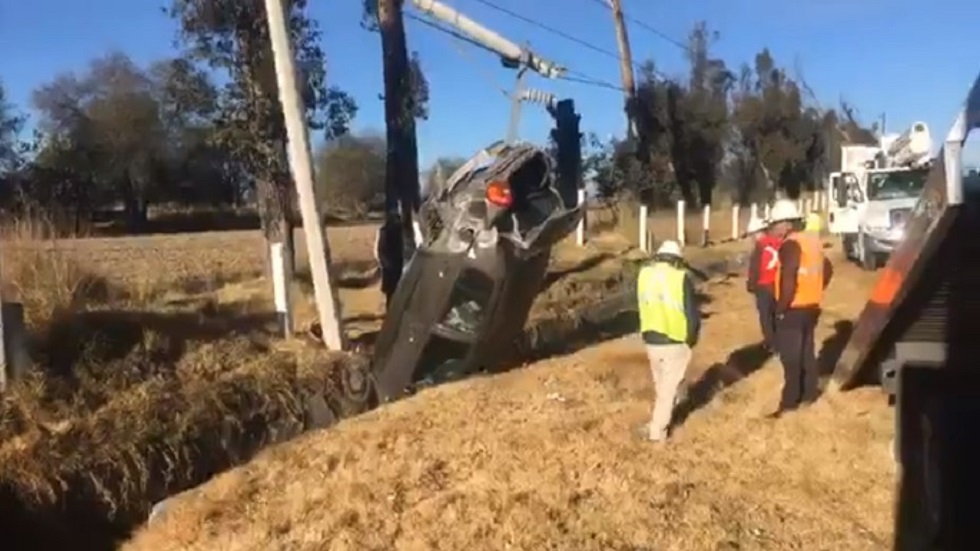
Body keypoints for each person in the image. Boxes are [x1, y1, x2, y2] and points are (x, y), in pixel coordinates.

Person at [768, 199, 834, 417]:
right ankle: (809, 395)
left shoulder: (790, 245)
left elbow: (789, 279)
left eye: (776, 224)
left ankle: (789, 403)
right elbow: (827, 269)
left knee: (791, 357)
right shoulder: (812, 242)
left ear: (787, 224)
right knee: (806, 352)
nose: (774, 229)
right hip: (811, 305)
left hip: (794, 308)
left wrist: (780, 309)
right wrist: (816, 288)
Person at [636, 240, 701, 442]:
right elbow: (692, 314)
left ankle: (657, 420)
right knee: (667, 390)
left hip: (650, 338)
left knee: (661, 385)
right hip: (674, 339)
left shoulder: (644, 275)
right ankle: (658, 433)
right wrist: (691, 339)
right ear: (676, 260)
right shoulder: (680, 278)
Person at [746, 215, 781, 351]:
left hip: (763, 285)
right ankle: (780, 340)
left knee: (765, 317)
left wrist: (751, 284)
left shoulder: (759, 247)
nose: (752, 238)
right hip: (777, 284)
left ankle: (771, 344)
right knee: (777, 314)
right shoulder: (778, 242)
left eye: (753, 235)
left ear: (758, 232)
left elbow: (755, 268)